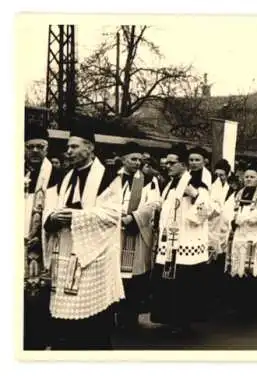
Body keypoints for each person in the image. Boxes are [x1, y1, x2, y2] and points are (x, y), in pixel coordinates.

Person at [43, 123, 124, 350]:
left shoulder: (108, 177)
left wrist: (75, 218)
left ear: (90, 148)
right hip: (65, 252)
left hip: (94, 257)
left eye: (74, 146)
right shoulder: (65, 176)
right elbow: (50, 207)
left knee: (93, 320)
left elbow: (111, 214)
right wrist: (52, 219)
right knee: (63, 313)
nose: (68, 151)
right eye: (68, 147)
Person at [150, 144, 211, 335]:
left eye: (172, 163)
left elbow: (206, 210)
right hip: (171, 240)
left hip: (186, 239)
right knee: (169, 281)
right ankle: (171, 318)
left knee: (184, 283)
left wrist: (195, 195)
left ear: (184, 165)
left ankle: (183, 321)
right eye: (167, 163)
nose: (168, 166)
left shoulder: (196, 183)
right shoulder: (171, 182)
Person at [115, 142, 161, 331]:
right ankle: (114, 314)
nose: (137, 162)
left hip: (136, 231)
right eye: (133, 159)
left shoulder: (149, 180)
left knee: (134, 279)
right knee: (115, 275)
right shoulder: (112, 177)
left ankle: (131, 316)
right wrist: (117, 216)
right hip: (115, 233)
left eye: (139, 160)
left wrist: (132, 217)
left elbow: (154, 203)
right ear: (123, 159)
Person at [24, 124, 60, 350]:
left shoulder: (56, 175)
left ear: (47, 149)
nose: (35, 150)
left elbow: (55, 210)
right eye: (31, 146)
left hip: (41, 243)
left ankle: (38, 341)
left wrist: (39, 233)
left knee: (38, 295)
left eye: (40, 146)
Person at [224, 162, 257, 317]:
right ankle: (239, 303)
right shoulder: (239, 193)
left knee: (254, 271)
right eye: (246, 176)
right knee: (239, 269)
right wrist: (232, 218)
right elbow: (227, 210)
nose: (248, 179)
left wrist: (240, 218)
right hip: (240, 237)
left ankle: (254, 305)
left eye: (252, 177)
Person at [207, 159, 235, 306]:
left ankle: (219, 295)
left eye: (222, 175)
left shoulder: (231, 190)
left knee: (221, 261)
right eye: (217, 174)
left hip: (224, 228)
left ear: (227, 174)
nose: (219, 178)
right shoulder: (211, 188)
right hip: (211, 228)